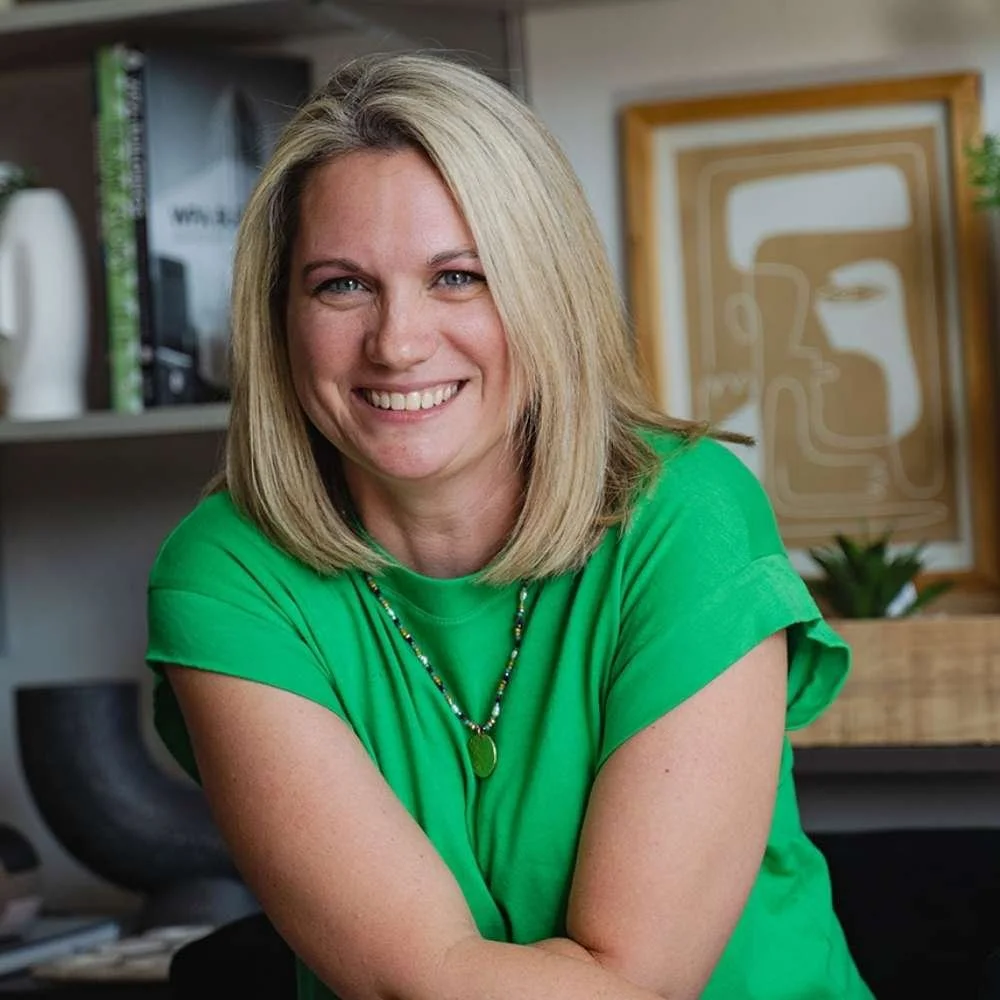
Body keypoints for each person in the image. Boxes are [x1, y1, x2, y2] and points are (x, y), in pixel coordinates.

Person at [146, 53, 874, 1000]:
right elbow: (413, 980)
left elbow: (639, 984)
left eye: (458, 277)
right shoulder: (227, 573)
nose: (398, 342)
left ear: (547, 293)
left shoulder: (686, 513)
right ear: (279, 315)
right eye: (341, 286)